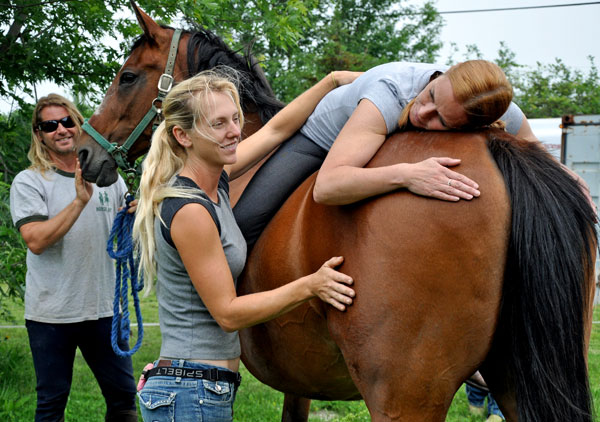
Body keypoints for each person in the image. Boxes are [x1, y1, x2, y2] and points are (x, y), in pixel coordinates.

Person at [133, 69, 359, 422]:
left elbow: (276, 130)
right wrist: (311, 285)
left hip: (201, 389)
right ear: (183, 135)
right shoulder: (191, 209)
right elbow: (227, 313)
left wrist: (332, 82)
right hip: (189, 393)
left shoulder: (215, 182)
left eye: (235, 118)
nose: (235, 131)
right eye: (219, 123)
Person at [233, 60, 585, 249]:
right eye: (430, 95)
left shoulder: (497, 109)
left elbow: (534, 147)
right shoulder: (389, 94)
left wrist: (567, 177)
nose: (422, 113)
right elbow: (327, 187)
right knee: (245, 221)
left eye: (441, 120)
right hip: (321, 139)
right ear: (441, 75)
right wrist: (407, 174)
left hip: (378, 131)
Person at [9, 94, 138, 421]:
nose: (61, 130)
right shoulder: (30, 181)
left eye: (67, 121)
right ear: (39, 134)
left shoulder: (108, 176)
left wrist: (138, 215)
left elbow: (128, 230)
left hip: (106, 310)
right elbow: (35, 240)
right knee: (52, 404)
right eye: (50, 125)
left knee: (124, 402)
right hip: (51, 315)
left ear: (79, 124)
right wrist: (79, 201)